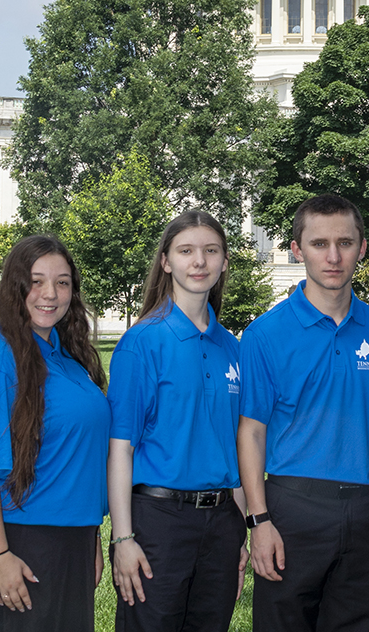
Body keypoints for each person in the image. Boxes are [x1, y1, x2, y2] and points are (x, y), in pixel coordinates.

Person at [238, 194, 369, 631]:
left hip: (368, 506)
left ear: (362, 248)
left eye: (345, 243)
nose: (333, 256)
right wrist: (260, 520)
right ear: (296, 249)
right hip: (292, 506)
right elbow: (250, 433)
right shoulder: (265, 334)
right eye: (319, 243)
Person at [0, 235, 109, 630]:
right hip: (17, 543)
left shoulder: (66, 354)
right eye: (36, 281)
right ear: (15, 287)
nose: (50, 294)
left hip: (69, 542)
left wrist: (90, 538)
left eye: (63, 282)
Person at [107, 211, 247, 632]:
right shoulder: (142, 343)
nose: (199, 261)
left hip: (222, 522)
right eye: (186, 251)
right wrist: (123, 539)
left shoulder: (232, 348)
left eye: (211, 251)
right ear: (166, 261)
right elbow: (120, 449)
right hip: (159, 520)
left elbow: (234, 446)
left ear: (224, 262)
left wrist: (240, 533)